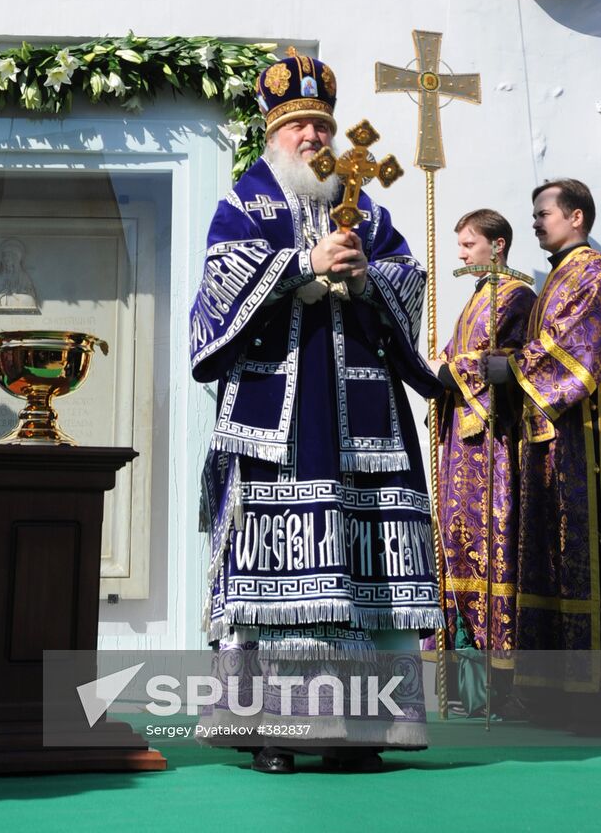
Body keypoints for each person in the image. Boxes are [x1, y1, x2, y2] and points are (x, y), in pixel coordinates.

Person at [190, 50, 444, 773]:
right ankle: (274, 729)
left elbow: (408, 275)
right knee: (276, 576)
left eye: (321, 125)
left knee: (370, 575)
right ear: (274, 134)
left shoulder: (363, 205)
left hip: (365, 418)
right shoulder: (248, 201)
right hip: (279, 422)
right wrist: (302, 266)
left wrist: (368, 277)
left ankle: (365, 732)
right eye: (299, 125)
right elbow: (218, 283)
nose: (313, 138)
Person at [485, 179, 601, 713]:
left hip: (590, 442)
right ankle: (552, 691)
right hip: (550, 442)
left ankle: (595, 695)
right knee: (548, 556)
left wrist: (514, 366)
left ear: (577, 217)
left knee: (584, 555)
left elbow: (582, 349)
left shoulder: (598, 274)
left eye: (544, 213)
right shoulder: (560, 278)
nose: (537, 222)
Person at [425, 210, 536, 711]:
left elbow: (508, 360)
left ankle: (500, 684)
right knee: (453, 546)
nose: (461, 254)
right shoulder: (475, 298)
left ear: (499, 244)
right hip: (460, 447)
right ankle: (458, 685)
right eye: (460, 244)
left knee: (491, 546)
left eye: (469, 244)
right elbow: (453, 354)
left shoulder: (517, 297)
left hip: (490, 447)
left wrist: (450, 369)